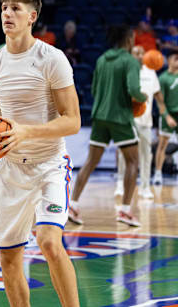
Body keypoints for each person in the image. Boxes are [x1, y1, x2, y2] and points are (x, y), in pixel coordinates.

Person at [0, 0, 80, 306]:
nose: (8, 13)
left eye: (16, 8)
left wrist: (25, 132)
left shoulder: (52, 59)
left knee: (49, 241)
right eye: (5, 7)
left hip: (49, 165)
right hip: (10, 171)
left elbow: (72, 120)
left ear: (32, 16)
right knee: (8, 257)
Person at [69, 25, 147, 227]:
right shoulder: (130, 61)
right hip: (120, 117)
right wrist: (142, 97)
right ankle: (126, 211)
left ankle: (73, 204)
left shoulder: (102, 59)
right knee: (133, 162)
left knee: (90, 162)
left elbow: (94, 89)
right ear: (129, 39)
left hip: (99, 115)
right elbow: (133, 89)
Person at [116, 46, 169, 200]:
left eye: (141, 53)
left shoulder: (151, 72)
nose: (139, 55)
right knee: (123, 154)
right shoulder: (124, 70)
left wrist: (163, 111)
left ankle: (145, 187)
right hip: (128, 120)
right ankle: (120, 183)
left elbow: (158, 94)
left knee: (146, 156)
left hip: (146, 122)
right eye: (136, 53)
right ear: (130, 55)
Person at [153, 51, 178, 186]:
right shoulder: (163, 78)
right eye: (176, 58)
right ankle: (158, 174)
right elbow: (160, 102)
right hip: (169, 113)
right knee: (162, 145)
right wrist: (167, 116)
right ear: (169, 60)